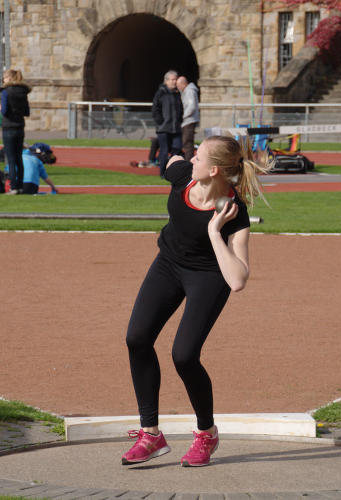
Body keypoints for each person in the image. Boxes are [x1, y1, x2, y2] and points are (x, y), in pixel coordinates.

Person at [121, 134, 271, 467]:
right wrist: (171, 158)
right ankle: (151, 435)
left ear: (215, 170)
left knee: (184, 355)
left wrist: (215, 232)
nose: (192, 161)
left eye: (199, 157)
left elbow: (237, 279)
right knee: (137, 338)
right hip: (168, 265)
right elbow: (172, 160)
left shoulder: (234, 211)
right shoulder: (182, 177)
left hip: (209, 275)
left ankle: (206, 434)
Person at [1, 69, 31, 195]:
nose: (3, 79)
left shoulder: (5, 92)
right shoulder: (23, 92)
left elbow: (4, 111)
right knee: (19, 158)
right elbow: (27, 112)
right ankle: (20, 186)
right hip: (20, 127)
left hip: (8, 127)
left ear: (9, 78)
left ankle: (13, 187)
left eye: (5, 77)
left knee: (11, 158)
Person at [152, 70, 183, 177]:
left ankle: (173, 171)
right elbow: (155, 109)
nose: (175, 82)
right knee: (164, 151)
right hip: (164, 128)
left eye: (176, 79)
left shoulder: (177, 93)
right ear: (166, 81)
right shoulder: (161, 93)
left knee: (177, 148)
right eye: (173, 79)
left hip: (176, 127)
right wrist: (161, 122)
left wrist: (179, 120)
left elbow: (180, 109)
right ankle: (163, 173)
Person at [176, 76, 200, 161]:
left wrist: (183, 116)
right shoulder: (187, 91)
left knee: (187, 143)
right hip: (188, 120)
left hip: (189, 121)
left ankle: (188, 162)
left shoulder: (189, 91)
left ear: (184, 84)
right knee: (186, 142)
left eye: (178, 85)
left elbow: (191, 106)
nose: (178, 88)